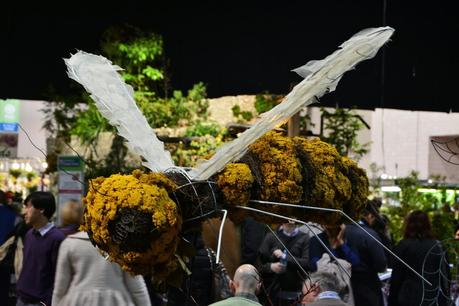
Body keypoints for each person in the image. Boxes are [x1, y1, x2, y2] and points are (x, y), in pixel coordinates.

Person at [52, 230, 151, 306]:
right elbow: (137, 288)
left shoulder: (69, 243)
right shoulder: (123, 244)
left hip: (77, 301)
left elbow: (60, 289)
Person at [388, 210, 450, 306]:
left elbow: (396, 277)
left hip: (408, 298)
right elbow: (446, 276)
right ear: (428, 225)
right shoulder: (438, 246)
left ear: (408, 225)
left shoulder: (403, 246)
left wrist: (392, 301)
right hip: (434, 298)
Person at [16, 192, 66, 306]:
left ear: (41, 209)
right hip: (22, 298)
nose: (25, 212)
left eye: (29, 206)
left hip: (39, 302)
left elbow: (60, 275)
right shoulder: (29, 234)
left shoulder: (57, 238)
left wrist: (46, 302)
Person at [344, 201, 387, 306]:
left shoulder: (337, 231)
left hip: (341, 287)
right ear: (369, 216)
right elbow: (381, 265)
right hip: (367, 288)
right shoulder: (369, 234)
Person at [259, 221, 310, 305]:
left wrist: (284, 257)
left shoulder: (304, 238)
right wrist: (271, 267)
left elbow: (306, 264)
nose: (290, 219)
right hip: (273, 292)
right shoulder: (271, 236)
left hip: (296, 291)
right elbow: (259, 264)